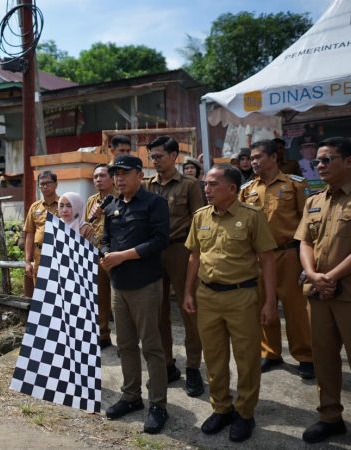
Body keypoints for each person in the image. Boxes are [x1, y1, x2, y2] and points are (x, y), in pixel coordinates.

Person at [183, 164, 278, 443]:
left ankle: (245, 413)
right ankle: (221, 408)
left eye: (213, 184)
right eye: (205, 184)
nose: (206, 189)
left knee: (247, 359)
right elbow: (194, 257)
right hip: (207, 297)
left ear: (232, 189)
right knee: (214, 357)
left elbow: (268, 260)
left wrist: (270, 302)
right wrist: (188, 292)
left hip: (242, 297)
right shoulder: (200, 216)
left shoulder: (252, 217)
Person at [101, 155, 170, 434]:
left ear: (139, 175)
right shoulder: (112, 205)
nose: (118, 178)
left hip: (145, 285)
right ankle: (131, 397)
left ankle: (158, 404)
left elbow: (159, 241)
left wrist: (122, 256)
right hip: (119, 285)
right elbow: (105, 237)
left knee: (151, 346)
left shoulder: (155, 203)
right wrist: (106, 254)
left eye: (124, 173)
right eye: (115, 173)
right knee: (125, 345)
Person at [239, 139, 313, 378]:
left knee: (296, 309)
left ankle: (304, 355)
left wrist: (306, 258)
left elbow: (307, 223)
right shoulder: (247, 189)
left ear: (273, 157)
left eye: (259, 157)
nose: (254, 162)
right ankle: (270, 353)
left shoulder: (295, 185)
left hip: (288, 254)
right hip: (258, 258)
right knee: (263, 305)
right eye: (252, 158)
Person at [294, 137, 351, 444]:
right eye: (317, 161)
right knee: (324, 359)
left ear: (349, 161)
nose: (320, 166)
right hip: (318, 294)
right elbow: (304, 241)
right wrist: (315, 276)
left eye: (327, 160)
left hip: (347, 295)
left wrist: (328, 276)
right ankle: (330, 417)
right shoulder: (314, 200)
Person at [144, 136, 205, 397]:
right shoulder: (148, 186)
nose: (155, 161)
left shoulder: (190, 186)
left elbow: (200, 220)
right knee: (157, 313)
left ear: (173, 156)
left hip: (181, 250)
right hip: (153, 253)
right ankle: (167, 365)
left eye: (158, 156)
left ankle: (193, 367)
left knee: (189, 309)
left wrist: (197, 255)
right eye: (152, 157)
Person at [83, 163, 114, 349]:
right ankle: (103, 335)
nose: (98, 180)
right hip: (96, 254)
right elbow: (88, 226)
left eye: (102, 176)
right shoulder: (91, 201)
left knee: (120, 299)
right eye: (95, 177)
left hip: (116, 254)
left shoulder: (121, 198)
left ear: (111, 179)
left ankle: (128, 340)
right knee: (100, 296)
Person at [24, 171, 60, 280]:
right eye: (41, 184)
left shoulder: (64, 204)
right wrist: (28, 261)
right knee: (41, 291)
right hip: (39, 255)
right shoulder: (34, 207)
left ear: (56, 184)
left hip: (59, 254)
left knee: (59, 291)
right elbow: (30, 234)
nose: (44, 186)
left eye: (48, 183)